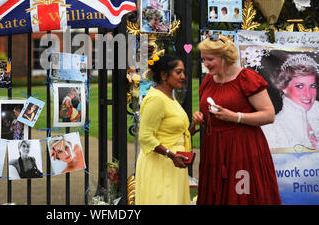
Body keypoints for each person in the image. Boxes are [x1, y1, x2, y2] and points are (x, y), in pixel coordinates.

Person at [192, 34, 281, 204]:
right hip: (214, 150)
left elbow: (269, 115)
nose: (205, 64)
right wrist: (200, 118)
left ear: (225, 57)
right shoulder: (208, 81)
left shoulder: (246, 78)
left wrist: (235, 117)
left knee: (242, 193)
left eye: (210, 59)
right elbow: (212, 116)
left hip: (243, 150)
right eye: (203, 59)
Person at [135, 53, 199, 205]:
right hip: (160, 166)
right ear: (164, 75)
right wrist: (171, 155)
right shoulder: (156, 99)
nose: (183, 76)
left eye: (183, 72)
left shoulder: (170, 97)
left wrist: (192, 128)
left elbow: (171, 132)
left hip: (173, 166)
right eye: (178, 72)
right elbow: (145, 137)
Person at [262, 54, 319, 150]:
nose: (308, 94)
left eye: (312, 86)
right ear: (283, 87)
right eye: (300, 86)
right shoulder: (272, 129)